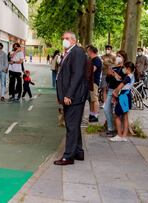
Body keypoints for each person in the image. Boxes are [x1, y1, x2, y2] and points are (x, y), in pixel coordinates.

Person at [54, 31, 88, 166]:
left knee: (71, 126)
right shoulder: (70, 52)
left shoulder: (77, 52)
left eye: (67, 38)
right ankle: (78, 151)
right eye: (63, 38)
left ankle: (68, 156)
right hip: (70, 95)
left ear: (73, 40)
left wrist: (68, 95)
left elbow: (77, 75)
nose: (64, 41)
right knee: (73, 124)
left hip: (74, 96)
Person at [110, 61, 135, 142]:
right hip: (127, 96)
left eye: (124, 67)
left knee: (117, 115)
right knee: (125, 116)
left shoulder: (128, 77)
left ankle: (119, 135)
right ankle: (124, 136)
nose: (123, 69)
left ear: (128, 68)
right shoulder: (132, 76)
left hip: (123, 96)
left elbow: (120, 86)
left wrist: (115, 93)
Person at [104, 50, 128, 137]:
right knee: (106, 108)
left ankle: (119, 130)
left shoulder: (125, 69)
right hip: (111, 90)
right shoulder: (113, 67)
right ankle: (110, 128)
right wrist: (109, 75)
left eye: (120, 56)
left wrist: (114, 75)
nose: (117, 57)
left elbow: (123, 81)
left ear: (123, 58)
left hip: (120, 92)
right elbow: (107, 81)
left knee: (119, 111)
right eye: (117, 55)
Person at [86, 45, 102, 123]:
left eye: (88, 51)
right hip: (90, 82)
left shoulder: (97, 60)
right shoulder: (91, 59)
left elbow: (92, 70)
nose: (87, 53)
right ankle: (92, 114)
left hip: (94, 82)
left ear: (91, 51)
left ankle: (95, 115)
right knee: (91, 100)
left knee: (95, 99)